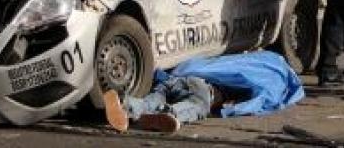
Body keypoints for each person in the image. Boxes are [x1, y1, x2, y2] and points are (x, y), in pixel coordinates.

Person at [103, 51, 304, 133]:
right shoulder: (265, 78)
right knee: (197, 107)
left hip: (178, 78)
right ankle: (168, 115)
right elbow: (261, 99)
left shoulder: (239, 61)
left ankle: (127, 105)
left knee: (155, 97)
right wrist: (233, 108)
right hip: (203, 89)